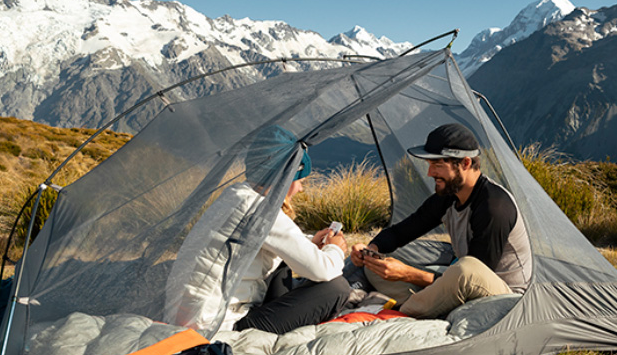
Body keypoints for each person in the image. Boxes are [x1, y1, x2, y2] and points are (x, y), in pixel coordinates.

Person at [165, 126, 350, 336]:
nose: (300, 189)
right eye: (298, 180)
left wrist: (309, 243)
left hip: (191, 315)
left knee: (283, 264)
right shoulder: (261, 211)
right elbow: (324, 270)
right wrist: (335, 250)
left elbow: (266, 240)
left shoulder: (237, 196)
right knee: (337, 289)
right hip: (217, 328)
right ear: (284, 177)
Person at [350, 123, 531, 319]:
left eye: (437, 165)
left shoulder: (494, 207)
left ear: (466, 163)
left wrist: (408, 274)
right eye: (429, 165)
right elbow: (401, 232)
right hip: (459, 284)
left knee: (465, 268)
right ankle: (424, 305)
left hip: (504, 297)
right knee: (375, 267)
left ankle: (404, 313)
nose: (430, 173)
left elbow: (474, 276)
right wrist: (371, 250)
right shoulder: (449, 195)